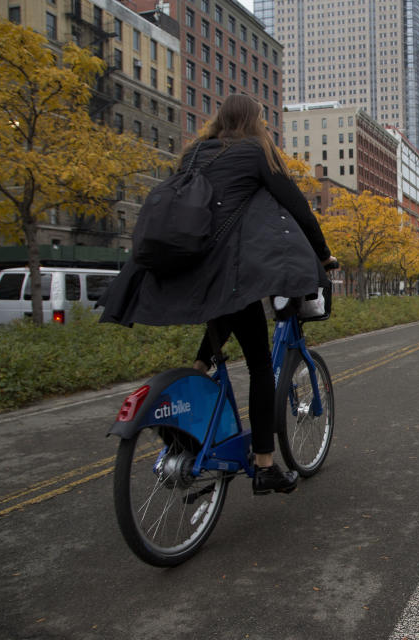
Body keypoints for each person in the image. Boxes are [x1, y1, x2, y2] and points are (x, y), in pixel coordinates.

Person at [99, 94, 336, 496]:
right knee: (261, 365)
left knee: (213, 339)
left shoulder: (194, 154)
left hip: (189, 270)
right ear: (254, 121)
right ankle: (264, 465)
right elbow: (297, 205)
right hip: (224, 272)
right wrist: (323, 253)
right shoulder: (256, 149)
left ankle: (191, 387)